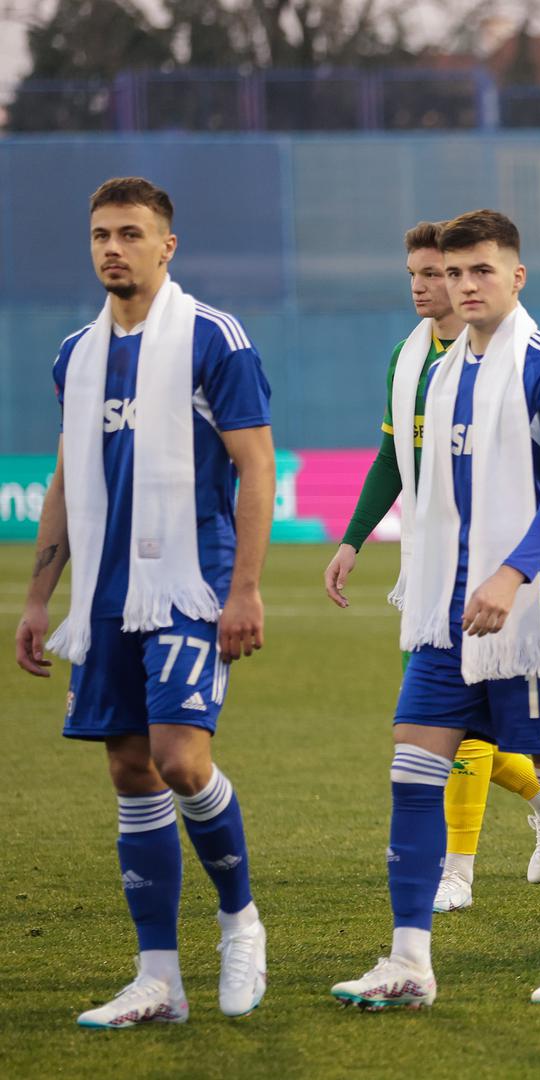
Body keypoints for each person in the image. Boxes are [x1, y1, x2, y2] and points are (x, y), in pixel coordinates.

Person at [330, 210, 540, 1008]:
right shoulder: (438, 373)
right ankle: (408, 963)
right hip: (445, 613)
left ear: (516, 276)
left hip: (539, 611)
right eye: (452, 273)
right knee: (412, 774)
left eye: (480, 270)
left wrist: (511, 574)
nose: (462, 285)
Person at [15, 176, 275, 1026]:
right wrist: (38, 598)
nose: (112, 248)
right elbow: (67, 477)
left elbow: (255, 465)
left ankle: (240, 923)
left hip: (190, 579)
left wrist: (244, 588)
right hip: (106, 589)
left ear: (168, 246)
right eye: (101, 234)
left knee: (179, 760)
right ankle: (158, 979)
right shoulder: (76, 354)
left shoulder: (213, 338)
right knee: (129, 769)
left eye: (130, 233)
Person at [321, 220, 540, 913]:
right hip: (428, 572)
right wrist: (352, 540)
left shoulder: (512, 360)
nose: (425, 287)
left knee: (466, 723)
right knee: (438, 727)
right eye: (418, 276)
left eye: (438, 274)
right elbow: (392, 456)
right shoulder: (408, 357)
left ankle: (457, 871)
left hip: (497, 569)